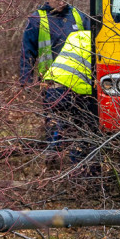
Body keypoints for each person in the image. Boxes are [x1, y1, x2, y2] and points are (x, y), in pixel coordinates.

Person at [21, 0, 85, 146]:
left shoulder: (78, 16)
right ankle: (53, 155)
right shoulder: (37, 20)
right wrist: (26, 80)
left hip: (78, 79)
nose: (61, 3)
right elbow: (27, 52)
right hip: (51, 81)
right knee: (54, 119)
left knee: (79, 121)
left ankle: (73, 156)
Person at [41, 28, 97, 164]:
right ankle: (78, 167)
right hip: (68, 91)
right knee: (83, 128)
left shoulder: (77, 36)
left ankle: (52, 155)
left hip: (53, 87)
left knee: (65, 123)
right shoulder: (100, 42)